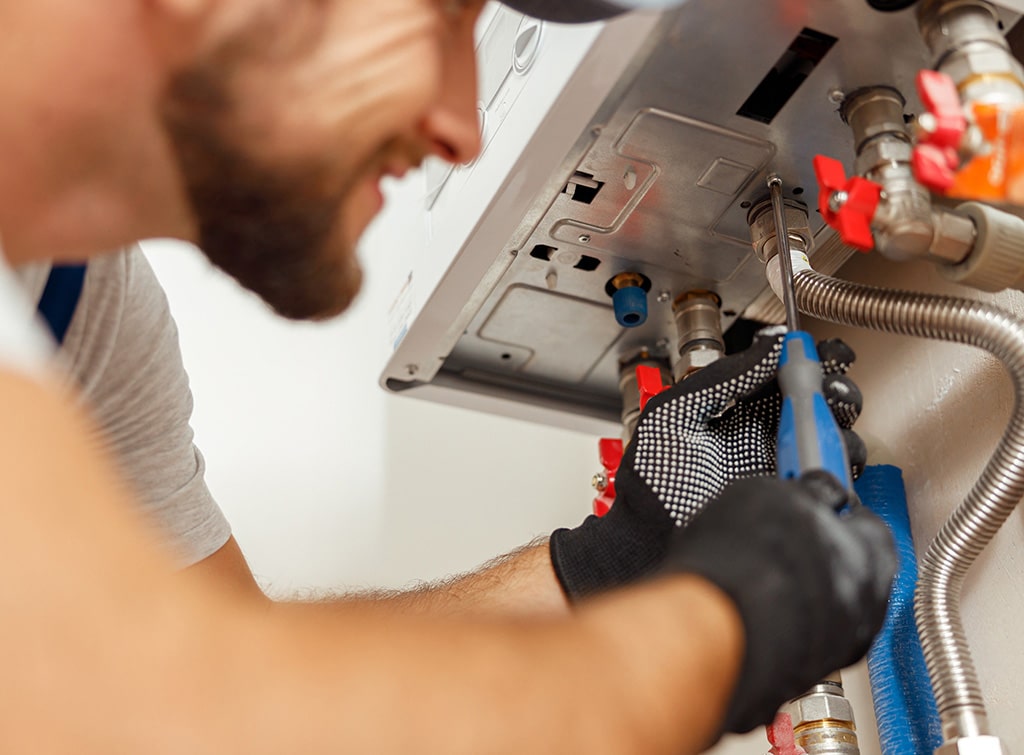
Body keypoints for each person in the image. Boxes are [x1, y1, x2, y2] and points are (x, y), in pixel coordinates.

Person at [0, 0, 896, 752]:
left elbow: (233, 686)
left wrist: (618, 558)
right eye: (443, 15)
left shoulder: (83, 316)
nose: (463, 131)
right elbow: (159, 724)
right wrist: (729, 620)